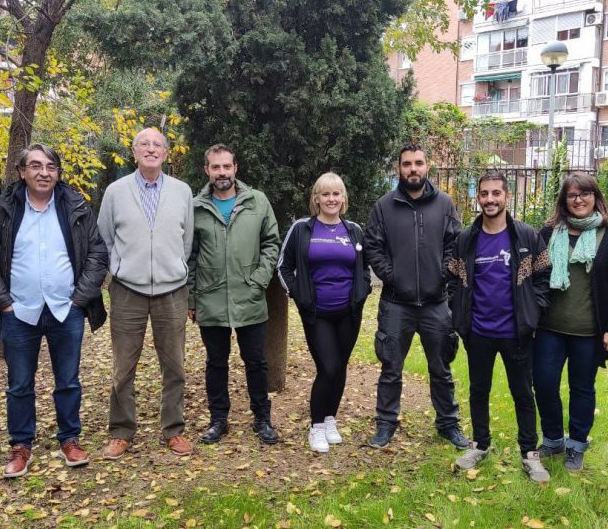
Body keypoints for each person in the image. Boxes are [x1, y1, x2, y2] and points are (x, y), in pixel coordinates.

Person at [0, 144, 108, 478]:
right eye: (35, 166)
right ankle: (20, 446)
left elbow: (97, 253)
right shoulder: (3, 209)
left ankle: (70, 439)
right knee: (19, 382)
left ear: (58, 172)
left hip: (66, 309)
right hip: (18, 311)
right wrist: (3, 302)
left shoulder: (75, 205)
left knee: (68, 380)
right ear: (22, 171)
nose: (43, 172)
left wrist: (79, 299)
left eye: (50, 166)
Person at [447, 171, 553, 482]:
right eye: (484, 194)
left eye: (496, 193)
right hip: (478, 331)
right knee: (479, 390)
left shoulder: (527, 237)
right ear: (477, 197)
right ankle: (479, 444)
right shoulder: (466, 240)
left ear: (507, 196)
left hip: (516, 333)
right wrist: (460, 312)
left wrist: (534, 314)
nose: (490, 199)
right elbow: (453, 279)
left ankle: (529, 453)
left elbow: (544, 279)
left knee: (522, 392)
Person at [98, 128, 195, 459]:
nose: (151, 149)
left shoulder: (182, 192)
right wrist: (121, 269)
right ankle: (122, 431)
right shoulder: (116, 191)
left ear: (166, 153)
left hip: (172, 290)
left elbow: (187, 241)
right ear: (135, 152)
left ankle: (174, 429)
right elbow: (105, 238)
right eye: (144, 144)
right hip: (127, 291)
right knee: (123, 366)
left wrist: (173, 267)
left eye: (158, 145)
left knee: (175, 366)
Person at [364, 143, 468, 450]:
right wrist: (394, 276)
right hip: (397, 304)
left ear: (427, 166)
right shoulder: (384, 206)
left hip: (436, 304)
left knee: (441, 368)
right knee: (391, 368)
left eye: (418, 163)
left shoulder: (445, 204)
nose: (413, 169)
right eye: (407, 163)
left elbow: (456, 245)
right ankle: (385, 425)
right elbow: (373, 246)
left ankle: (448, 424)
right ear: (399, 168)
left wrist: (442, 276)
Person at [533, 173, 608, 472]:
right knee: (544, 384)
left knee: (582, 388)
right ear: (563, 201)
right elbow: (534, 276)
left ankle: (576, 444)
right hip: (549, 328)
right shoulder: (549, 232)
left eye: (585, 193)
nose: (578, 199)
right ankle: (553, 440)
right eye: (571, 195)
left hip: (589, 332)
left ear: (596, 197)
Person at [187, 144, 282, 445]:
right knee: (216, 362)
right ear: (207, 170)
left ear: (235, 168)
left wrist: (260, 279)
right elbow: (189, 255)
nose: (222, 172)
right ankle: (218, 419)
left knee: (256, 361)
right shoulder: (195, 207)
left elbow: (271, 243)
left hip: (249, 295)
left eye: (226, 166)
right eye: (215, 167)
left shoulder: (257, 201)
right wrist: (192, 298)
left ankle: (262, 418)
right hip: (211, 297)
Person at [278, 173, 371, 453]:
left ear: (343, 198)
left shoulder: (353, 229)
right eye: (325, 194)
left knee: (340, 367)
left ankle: (331, 419)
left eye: (336, 194)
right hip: (317, 313)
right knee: (327, 367)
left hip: (349, 312)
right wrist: (299, 295)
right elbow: (283, 266)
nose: (331, 199)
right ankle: (316, 427)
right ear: (316, 198)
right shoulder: (302, 228)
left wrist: (363, 292)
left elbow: (364, 269)